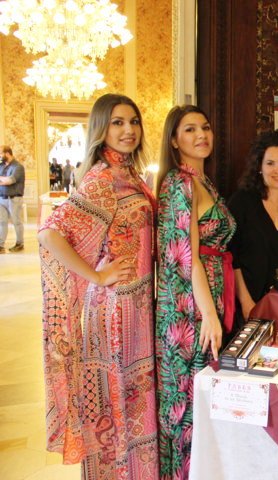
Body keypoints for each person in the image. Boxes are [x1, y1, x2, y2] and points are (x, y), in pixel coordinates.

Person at [37, 94, 159, 479]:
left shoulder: (129, 175)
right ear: (101, 128)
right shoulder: (102, 180)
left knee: (134, 406)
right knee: (116, 408)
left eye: (133, 121)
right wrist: (97, 276)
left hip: (137, 309)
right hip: (114, 313)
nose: (128, 130)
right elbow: (49, 234)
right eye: (117, 122)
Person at [155, 105, 236, 478]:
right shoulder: (179, 184)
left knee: (202, 399)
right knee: (188, 404)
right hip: (188, 310)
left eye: (205, 127)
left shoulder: (203, 180)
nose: (201, 135)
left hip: (207, 299)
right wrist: (209, 315)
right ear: (174, 140)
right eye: (189, 129)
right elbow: (188, 257)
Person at [228, 130, 278, 320]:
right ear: (259, 167)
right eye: (270, 163)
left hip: (277, 305)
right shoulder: (242, 201)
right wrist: (246, 302)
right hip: (243, 306)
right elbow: (232, 257)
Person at [0, 146, 25, 253]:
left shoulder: (18, 167)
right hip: (1, 198)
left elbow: (9, 181)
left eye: (1, 154)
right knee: (2, 222)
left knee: (16, 222)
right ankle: (0, 245)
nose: (0, 156)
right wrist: (3, 180)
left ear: (7, 153)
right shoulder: (1, 166)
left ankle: (20, 243)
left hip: (14, 199)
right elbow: (4, 181)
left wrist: (4, 180)